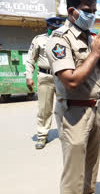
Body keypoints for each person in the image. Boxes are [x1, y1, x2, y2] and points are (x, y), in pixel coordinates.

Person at [45, 0, 100, 194]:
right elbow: (71, 81)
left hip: (96, 110)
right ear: (71, 11)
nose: (92, 15)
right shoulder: (60, 39)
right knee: (74, 173)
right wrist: (95, 53)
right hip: (74, 113)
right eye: (87, 10)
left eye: (94, 10)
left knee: (91, 168)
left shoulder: (92, 39)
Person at [25, 17, 63, 149]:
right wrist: (29, 76)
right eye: (52, 28)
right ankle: (42, 135)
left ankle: (65, 133)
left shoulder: (65, 39)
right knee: (44, 109)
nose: (55, 31)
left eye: (57, 28)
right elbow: (30, 59)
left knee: (64, 107)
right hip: (45, 76)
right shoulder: (39, 40)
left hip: (62, 77)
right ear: (47, 27)